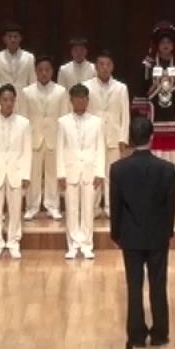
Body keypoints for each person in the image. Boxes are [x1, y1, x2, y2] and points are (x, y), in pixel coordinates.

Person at [111, 117, 175, 347]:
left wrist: (116, 234)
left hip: (130, 236)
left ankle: (136, 335)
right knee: (159, 285)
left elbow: (116, 205)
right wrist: (168, 233)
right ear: (152, 137)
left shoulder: (118, 169)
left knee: (134, 286)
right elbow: (171, 206)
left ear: (130, 139)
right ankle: (160, 333)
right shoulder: (167, 169)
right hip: (158, 236)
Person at [56, 84, 108, 260]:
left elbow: (100, 147)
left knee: (88, 209)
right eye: (76, 98)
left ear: (88, 100)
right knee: (71, 209)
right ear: (71, 100)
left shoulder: (96, 121)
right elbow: (60, 148)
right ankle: (72, 245)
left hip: (90, 171)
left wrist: (100, 172)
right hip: (70, 170)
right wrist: (60, 173)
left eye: (83, 98)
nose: (80, 101)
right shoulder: (63, 122)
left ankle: (86, 244)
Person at [135, 22, 175, 183]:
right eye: (162, 42)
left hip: (174, 110)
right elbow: (141, 87)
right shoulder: (148, 64)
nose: (166, 46)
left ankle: (173, 176)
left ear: (174, 45)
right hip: (154, 111)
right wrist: (142, 109)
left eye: (169, 42)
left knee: (173, 139)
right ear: (157, 45)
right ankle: (153, 174)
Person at [0, 85, 31, 259]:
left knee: (15, 210)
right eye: (5, 99)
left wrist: (26, 174)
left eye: (11, 99)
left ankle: (13, 242)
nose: (8, 103)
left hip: (16, 172)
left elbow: (27, 151)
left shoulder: (24, 123)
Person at [20, 58, 70, 220]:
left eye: (47, 69)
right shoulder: (27, 92)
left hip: (53, 138)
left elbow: (64, 118)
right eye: (40, 70)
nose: (43, 73)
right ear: (36, 71)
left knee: (52, 174)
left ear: (52, 71)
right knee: (33, 174)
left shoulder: (61, 91)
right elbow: (23, 119)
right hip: (33, 138)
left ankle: (52, 206)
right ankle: (32, 206)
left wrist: (63, 140)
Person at [83, 53, 131, 216]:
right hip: (93, 136)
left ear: (112, 67)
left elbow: (125, 115)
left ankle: (111, 207)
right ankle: (94, 207)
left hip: (113, 136)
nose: (104, 68)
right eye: (101, 64)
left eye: (107, 64)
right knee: (95, 172)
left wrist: (123, 138)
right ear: (95, 67)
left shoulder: (121, 87)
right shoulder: (86, 86)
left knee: (113, 174)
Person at [0, 22, 35, 91]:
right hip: (3, 99)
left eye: (15, 36)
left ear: (20, 38)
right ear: (4, 39)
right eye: (10, 36)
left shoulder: (29, 57)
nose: (13, 40)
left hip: (23, 98)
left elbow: (33, 84)